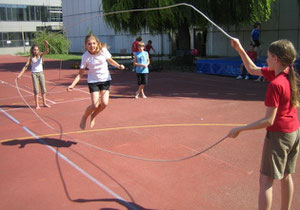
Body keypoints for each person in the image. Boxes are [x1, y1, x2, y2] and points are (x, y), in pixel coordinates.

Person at [228, 38, 300, 210]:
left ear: (276, 59)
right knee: (286, 176)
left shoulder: (276, 84)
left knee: (266, 181)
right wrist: (239, 48)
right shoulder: (286, 73)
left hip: (279, 136)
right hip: (294, 132)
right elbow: (252, 69)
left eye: (268, 57)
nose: (266, 60)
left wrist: (240, 129)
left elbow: (269, 120)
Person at [67, 34, 125, 129]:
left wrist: (119, 66)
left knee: (105, 103)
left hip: (105, 80)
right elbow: (80, 73)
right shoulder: (85, 56)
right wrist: (72, 85)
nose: (92, 46)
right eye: (89, 44)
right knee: (94, 104)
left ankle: (93, 116)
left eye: (94, 43)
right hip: (93, 81)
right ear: (86, 45)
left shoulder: (103, 51)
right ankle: (85, 117)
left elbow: (110, 61)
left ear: (97, 44)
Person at [17, 40, 50, 109]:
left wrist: (46, 45)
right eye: (35, 50)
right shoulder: (30, 58)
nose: (36, 51)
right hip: (34, 74)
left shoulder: (40, 55)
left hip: (41, 73)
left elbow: (46, 51)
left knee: (43, 89)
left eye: (37, 50)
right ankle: (37, 104)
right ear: (32, 50)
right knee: (36, 90)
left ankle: (44, 103)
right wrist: (20, 75)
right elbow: (25, 66)